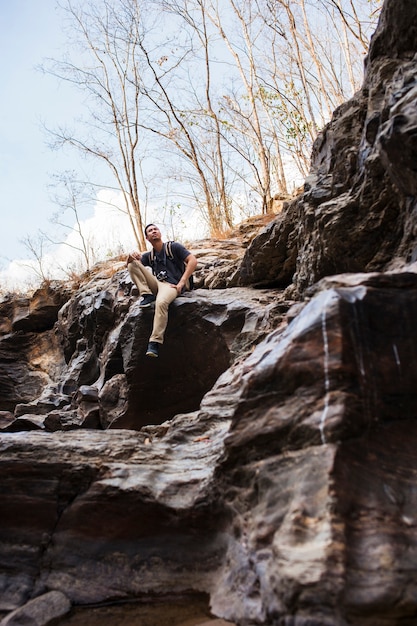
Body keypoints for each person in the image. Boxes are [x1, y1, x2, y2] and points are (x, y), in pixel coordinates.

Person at [126, 224, 198, 358]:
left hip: (172, 285)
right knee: (132, 264)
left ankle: (154, 342)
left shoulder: (173, 247)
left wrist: (182, 282)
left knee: (161, 303)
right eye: (150, 231)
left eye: (155, 229)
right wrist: (131, 256)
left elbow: (193, 260)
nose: (154, 232)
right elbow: (133, 265)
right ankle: (146, 295)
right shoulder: (149, 255)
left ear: (160, 233)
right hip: (158, 284)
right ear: (147, 238)